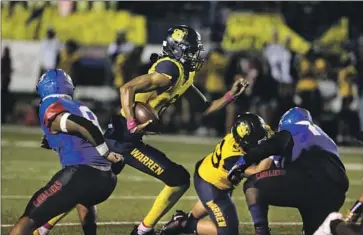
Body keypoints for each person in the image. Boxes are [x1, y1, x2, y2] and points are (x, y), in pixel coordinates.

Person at [105, 25, 249, 235]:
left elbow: (205, 107)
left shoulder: (183, 73)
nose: (195, 55)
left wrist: (231, 95)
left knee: (95, 184)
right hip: (122, 137)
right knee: (177, 179)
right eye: (191, 50)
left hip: (129, 138)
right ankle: (142, 232)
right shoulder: (170, 69)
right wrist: (131, 123)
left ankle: (142, 231)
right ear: (177, 49)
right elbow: (126, 88)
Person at [9, 69, 122, 235]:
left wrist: (106, 153)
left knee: (27, 221)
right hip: (106, 180)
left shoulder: (50, 105)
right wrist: (56, 141)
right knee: (83, 199)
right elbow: (84, 134)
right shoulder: (80, 106)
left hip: (81, 174)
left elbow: (84, 127)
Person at [227, 107, 349, 235]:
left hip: (309, 179)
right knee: (321, 231)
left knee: (253, 184)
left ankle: (261, 232)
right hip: (337, 189)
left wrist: (243, 161)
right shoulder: (324, 137)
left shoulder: (293, 130)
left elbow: (272, 146)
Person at [160, 113, 274, 235]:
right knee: (228, 232)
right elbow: (257, 172)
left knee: (210, 203)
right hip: (211, 185)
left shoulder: (252, 132)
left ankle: (186, 218)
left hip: (211, 173)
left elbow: (266, 134)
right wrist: (273, 151)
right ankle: (184, 224)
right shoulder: (232, 157)